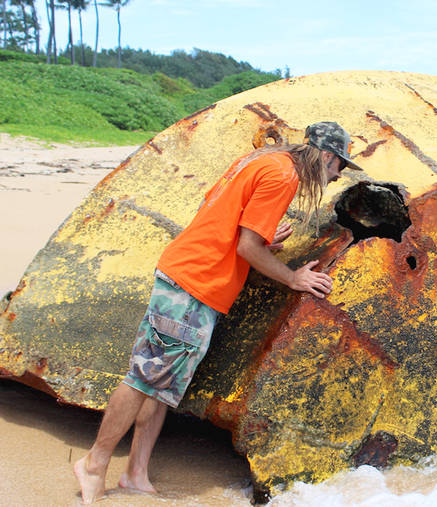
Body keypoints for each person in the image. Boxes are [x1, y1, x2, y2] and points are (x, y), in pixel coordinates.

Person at [73, 121, 363, 504]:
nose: (336, 176)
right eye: (338, 167)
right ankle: (94, 464)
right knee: (144, 376)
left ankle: (135, 473)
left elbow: (221, 214)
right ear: (327, 156)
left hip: (196, 280)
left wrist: (262, 239)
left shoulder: (262, 161)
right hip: (194, 283)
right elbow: (246, 249)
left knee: (162, 385)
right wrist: (293, 278)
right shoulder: (284, 176)